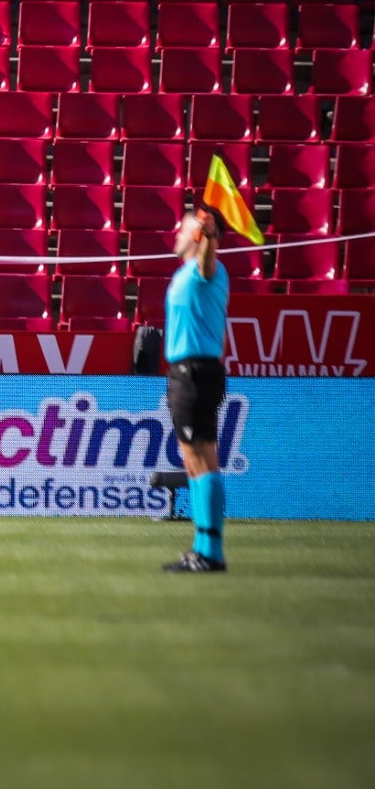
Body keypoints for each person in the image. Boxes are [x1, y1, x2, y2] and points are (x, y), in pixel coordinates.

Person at [162, 207, 230, 574]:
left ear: (198, 236)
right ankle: (203, 548)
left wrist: (209, 234)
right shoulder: (186, 272)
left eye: (183, 228)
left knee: (202, 459)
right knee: (194, 460)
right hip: (188, 373)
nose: (177, 233)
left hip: (195, 373)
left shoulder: (207, 269)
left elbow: (207, 261)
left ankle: (210, 551)